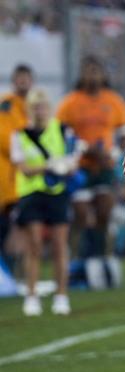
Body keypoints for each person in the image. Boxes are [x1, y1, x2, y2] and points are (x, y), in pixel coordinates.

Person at [56, 56, 125, 289]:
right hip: (80, 167)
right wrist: (81, 148)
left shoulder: (114, 101)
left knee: (104, 213)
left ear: (103, 75)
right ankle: (77, 260)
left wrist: (115, 155)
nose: (93, 76)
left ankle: (102, 259)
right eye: (88, 71)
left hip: (105, 167)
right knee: (80, 216)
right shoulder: (70, 102)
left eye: (96, 71)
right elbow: (61, 134)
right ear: (82, 74)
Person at [10, 89, 79, 316]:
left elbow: (73, 156)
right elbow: (24, 169)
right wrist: (50, 166)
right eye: (35, 106)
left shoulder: (61, 129)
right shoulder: (19, 135)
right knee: (34, 246)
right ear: (30, 109)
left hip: (56, 192)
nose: (40, 111)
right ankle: (32, 296)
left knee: (60, 245)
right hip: (32, 194)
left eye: (43, 106)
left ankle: (61, 295)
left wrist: (68, 166)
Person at [0, 64, 32, 272]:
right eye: (19, 78)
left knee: (20, 225)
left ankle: (12, 271)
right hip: (9, 174)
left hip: (25, 175)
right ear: (14, 81)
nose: (23, 82)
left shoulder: (32, 105)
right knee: (7, 224)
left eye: (26, 78)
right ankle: (7, 271)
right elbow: (6, 139)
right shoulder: (7, 105)